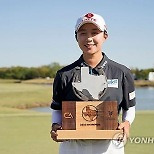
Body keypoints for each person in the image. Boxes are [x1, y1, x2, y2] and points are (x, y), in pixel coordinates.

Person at [50, 12, 136, 154]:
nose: (89, 38)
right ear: (76, 37)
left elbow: (129, 107)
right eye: (83, 33)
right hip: (73, 147)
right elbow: (57, 108)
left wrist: (127, 123)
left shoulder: (122, 72)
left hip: (110, 147)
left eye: (95, 32)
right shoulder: (63, 74)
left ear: (105, 36)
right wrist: (55, 126)